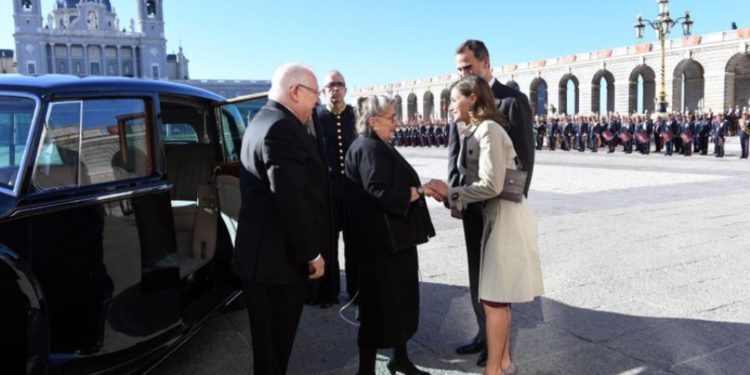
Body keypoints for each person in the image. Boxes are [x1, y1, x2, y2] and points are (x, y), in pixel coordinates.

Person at [428, 76, 543, 375]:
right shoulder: (478, 129)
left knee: (493, 299)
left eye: (455, 99)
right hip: (498, 215)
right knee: (497, 298)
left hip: (504, 217)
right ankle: (504, 363)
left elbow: (492, 184)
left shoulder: (489, 130)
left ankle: (493, 370)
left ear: (474, 99)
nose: (450, 105)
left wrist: (451, 192)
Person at [233, 63, 330, 375]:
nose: (318, 101)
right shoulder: (282, 128)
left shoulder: (260, 121)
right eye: (315, 94)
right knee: (274, 353)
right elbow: (290, 200)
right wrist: (312, 254)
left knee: (267, 352)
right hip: (276, 265)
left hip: (260, 261)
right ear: (295, 91)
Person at [448, 39, 534, 367]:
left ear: (485, 63)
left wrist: (507, 204)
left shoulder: (512, 101)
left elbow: (524, 161)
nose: (462, 73)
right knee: (476, 275)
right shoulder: (462, 103)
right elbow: (454, 156)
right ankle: (484, 335)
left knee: (496, 284)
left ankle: (497, 351)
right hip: (472, 206)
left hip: (496, 205)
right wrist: (456, 197)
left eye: (468, 67)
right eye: (459, 69)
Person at [345, 95, 435, 375]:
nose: (396, 123)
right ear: (373, 121)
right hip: (380, 245)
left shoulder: (379, 144)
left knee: (400, 302)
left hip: (395, 240)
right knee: (377, 306)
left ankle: (401, 358)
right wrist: (422, 190)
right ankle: (366, 369)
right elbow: (381, 192)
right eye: (391, 118)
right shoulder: (368, 147)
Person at [313, 70, 359, 307]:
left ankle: (355, 290)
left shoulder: (355, 114)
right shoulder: (315, 116)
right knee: (328, 242)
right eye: (331, 85)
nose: (335, 89)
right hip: (327, 190)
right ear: (323, 90)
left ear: (346, 89)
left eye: (339, 84)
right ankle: (328, 292)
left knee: (354, 242)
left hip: (352, 189)